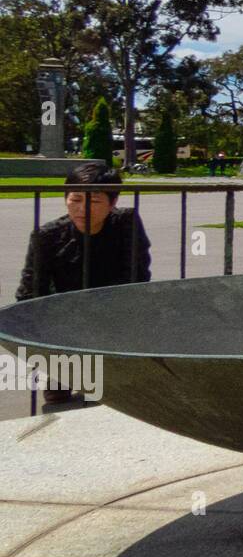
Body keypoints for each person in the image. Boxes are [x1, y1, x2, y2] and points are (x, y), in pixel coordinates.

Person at [16, 163, 152, 404]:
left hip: (113, 318)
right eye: (75, 199)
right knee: (58, 396)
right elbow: (30, 290)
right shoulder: (47, 236)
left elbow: (137, 276)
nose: (82, 209)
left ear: (112, 203)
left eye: (95, 201)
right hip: (63, 323)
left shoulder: (126, 224)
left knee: (116, 394)